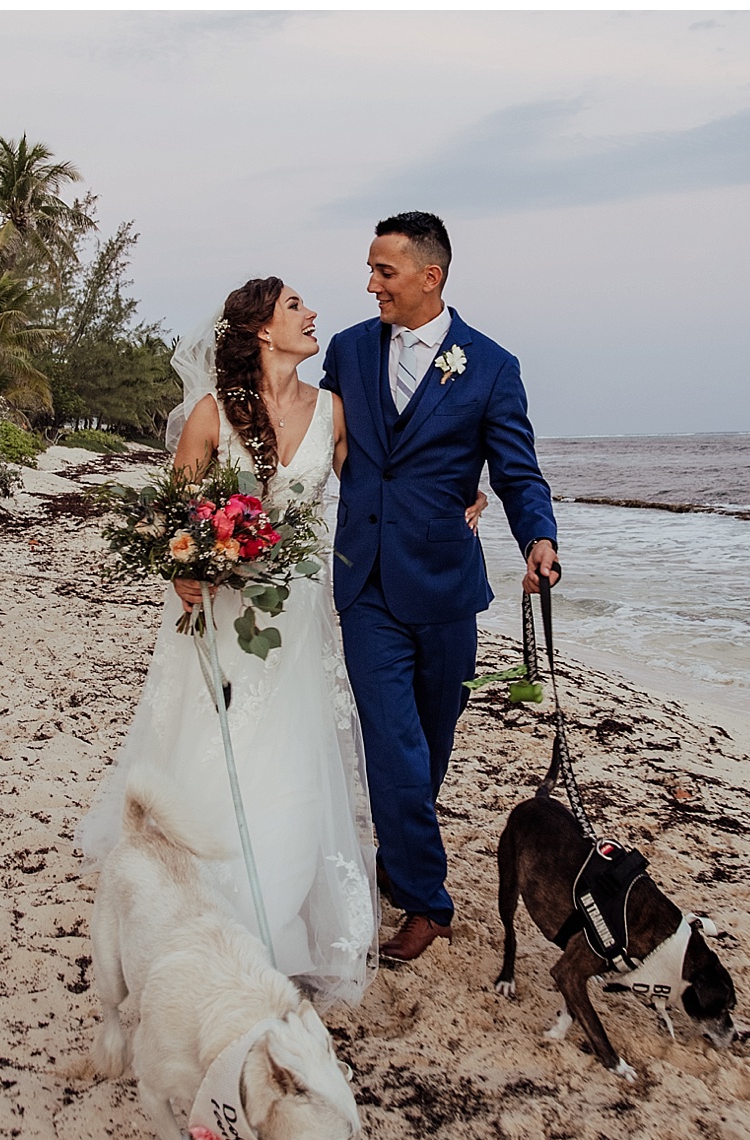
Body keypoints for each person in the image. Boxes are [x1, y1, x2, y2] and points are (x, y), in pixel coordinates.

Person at [79, 277, 473, 1003]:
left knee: (295, 755)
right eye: (295, 305)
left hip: (298, 612)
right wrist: (183, 572)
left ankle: (276, 910)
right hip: (225, 614)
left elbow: (388, 485)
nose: (312, 312)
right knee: (215, 745)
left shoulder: (334, 409)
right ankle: (201, 908)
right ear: (262, 329)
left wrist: (462, 491)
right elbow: (173, 515)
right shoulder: (210, 414)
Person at [321, 211, 559, 966]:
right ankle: (427, 900)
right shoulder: (349, 350)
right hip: (365, 581)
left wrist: (539, 539)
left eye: (384, 271)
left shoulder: (491, 366)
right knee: (391, 740)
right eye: (370, 269)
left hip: (448, 585)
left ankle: (400, 849)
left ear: (431, 276)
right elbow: (315, 437)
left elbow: (515, 471)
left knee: (431, 740)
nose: (370, 285)